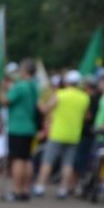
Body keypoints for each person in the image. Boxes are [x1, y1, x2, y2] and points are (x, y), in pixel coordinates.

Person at [34, 70, 90, 199]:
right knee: (68, 163)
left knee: (48, 161)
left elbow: (46, 109)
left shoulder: (60, 94)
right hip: (74, 135)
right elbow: (87, 116)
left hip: (58, 133)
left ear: (67, 82)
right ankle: (63, 189)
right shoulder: (84, 97)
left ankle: (40, 186)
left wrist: (38, 101)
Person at [0, 60, 39, 202]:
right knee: (27, 159)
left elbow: (5, 101)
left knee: (17, 160)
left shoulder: (21, 86)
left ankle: (16, 190)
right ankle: (25, 189)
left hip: (18, 126)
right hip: (29, 126)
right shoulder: (34, 86)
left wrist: (1, 90)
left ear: (25, 71)